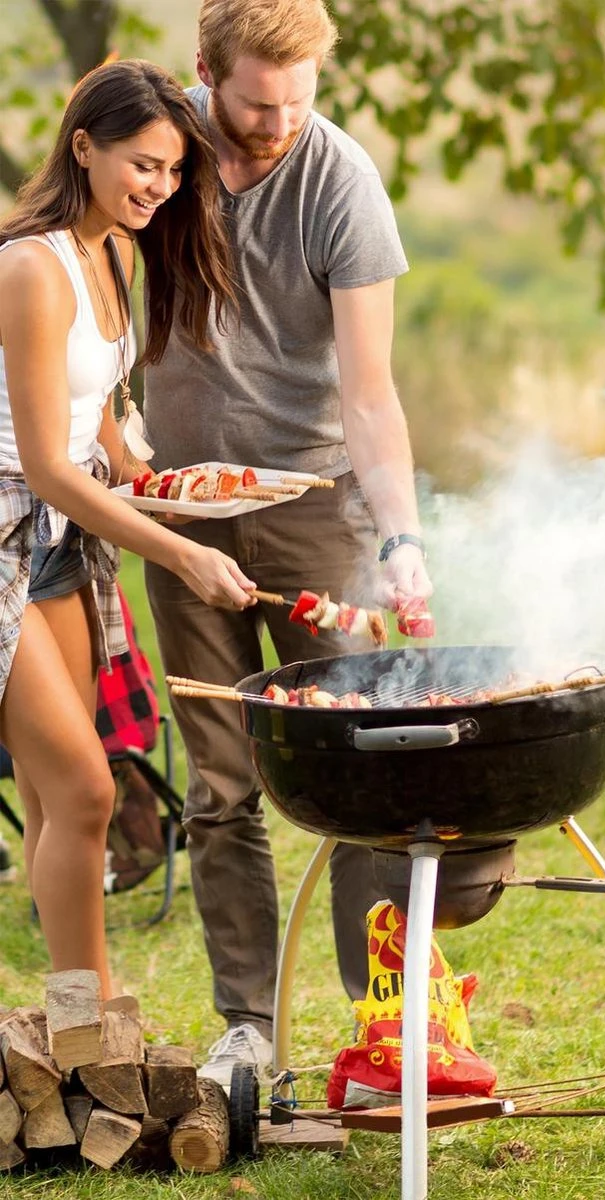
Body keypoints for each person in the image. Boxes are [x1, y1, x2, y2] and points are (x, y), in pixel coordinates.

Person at [142, 0, 433, 1086]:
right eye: (257, 105)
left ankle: (383, 1022)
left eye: (298, 102)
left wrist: (400, 540)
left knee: (361, 770)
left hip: (318, 504)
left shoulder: (341, 181)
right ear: (205, 71)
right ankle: (249, 1030)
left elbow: (371, 392)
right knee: (221, 787)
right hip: (182, 512)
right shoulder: (158, 158)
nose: (278, 125)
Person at [0, 59, 256, 1000]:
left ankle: (68, 1020)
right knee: (87, 790)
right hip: (10, 529)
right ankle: (94, 1017)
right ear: (83, 147)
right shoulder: (31, 268)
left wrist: (170, 490)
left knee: (50, 796)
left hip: (61, 542)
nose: (161, 186)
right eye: (143, 164)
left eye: (175, 169)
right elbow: (46, 464)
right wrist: (181, 552)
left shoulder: (113, 250)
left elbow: (98, 423)